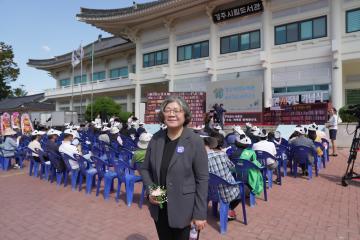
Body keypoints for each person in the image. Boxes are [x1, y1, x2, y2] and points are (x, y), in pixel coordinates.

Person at [140, 96, 208, 240]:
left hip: (185, 211)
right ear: (163, 115)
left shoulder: (194, 141)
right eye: (168, 110)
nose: (172, 114)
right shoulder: (156, 139)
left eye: (177, 110)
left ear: (185, 115)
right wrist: (152, 191)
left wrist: (200, 213)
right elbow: (145, 168)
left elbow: (202, 179)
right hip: (160, 208)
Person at [203, 136, 241, 220]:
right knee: (242, 191)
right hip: (227, 193)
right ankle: (228, 209)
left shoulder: (200, 159)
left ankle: (222, 209)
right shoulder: (222, 154)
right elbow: (233, 167)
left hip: (210, 193)